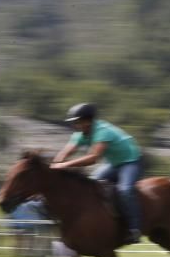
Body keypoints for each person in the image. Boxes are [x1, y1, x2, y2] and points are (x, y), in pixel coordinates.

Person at [51, 103, 144, 244]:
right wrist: (53, 166)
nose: (75, 125)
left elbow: (93, 158)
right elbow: (66, 151)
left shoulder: (102, 131)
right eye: (74, 122)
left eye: (78, 122)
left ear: (88, 121)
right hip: (114, 164)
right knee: (91, 185)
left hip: (131, 161)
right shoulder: (80, 133)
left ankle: (134, 229)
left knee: (125, 190)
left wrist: (64, 165)